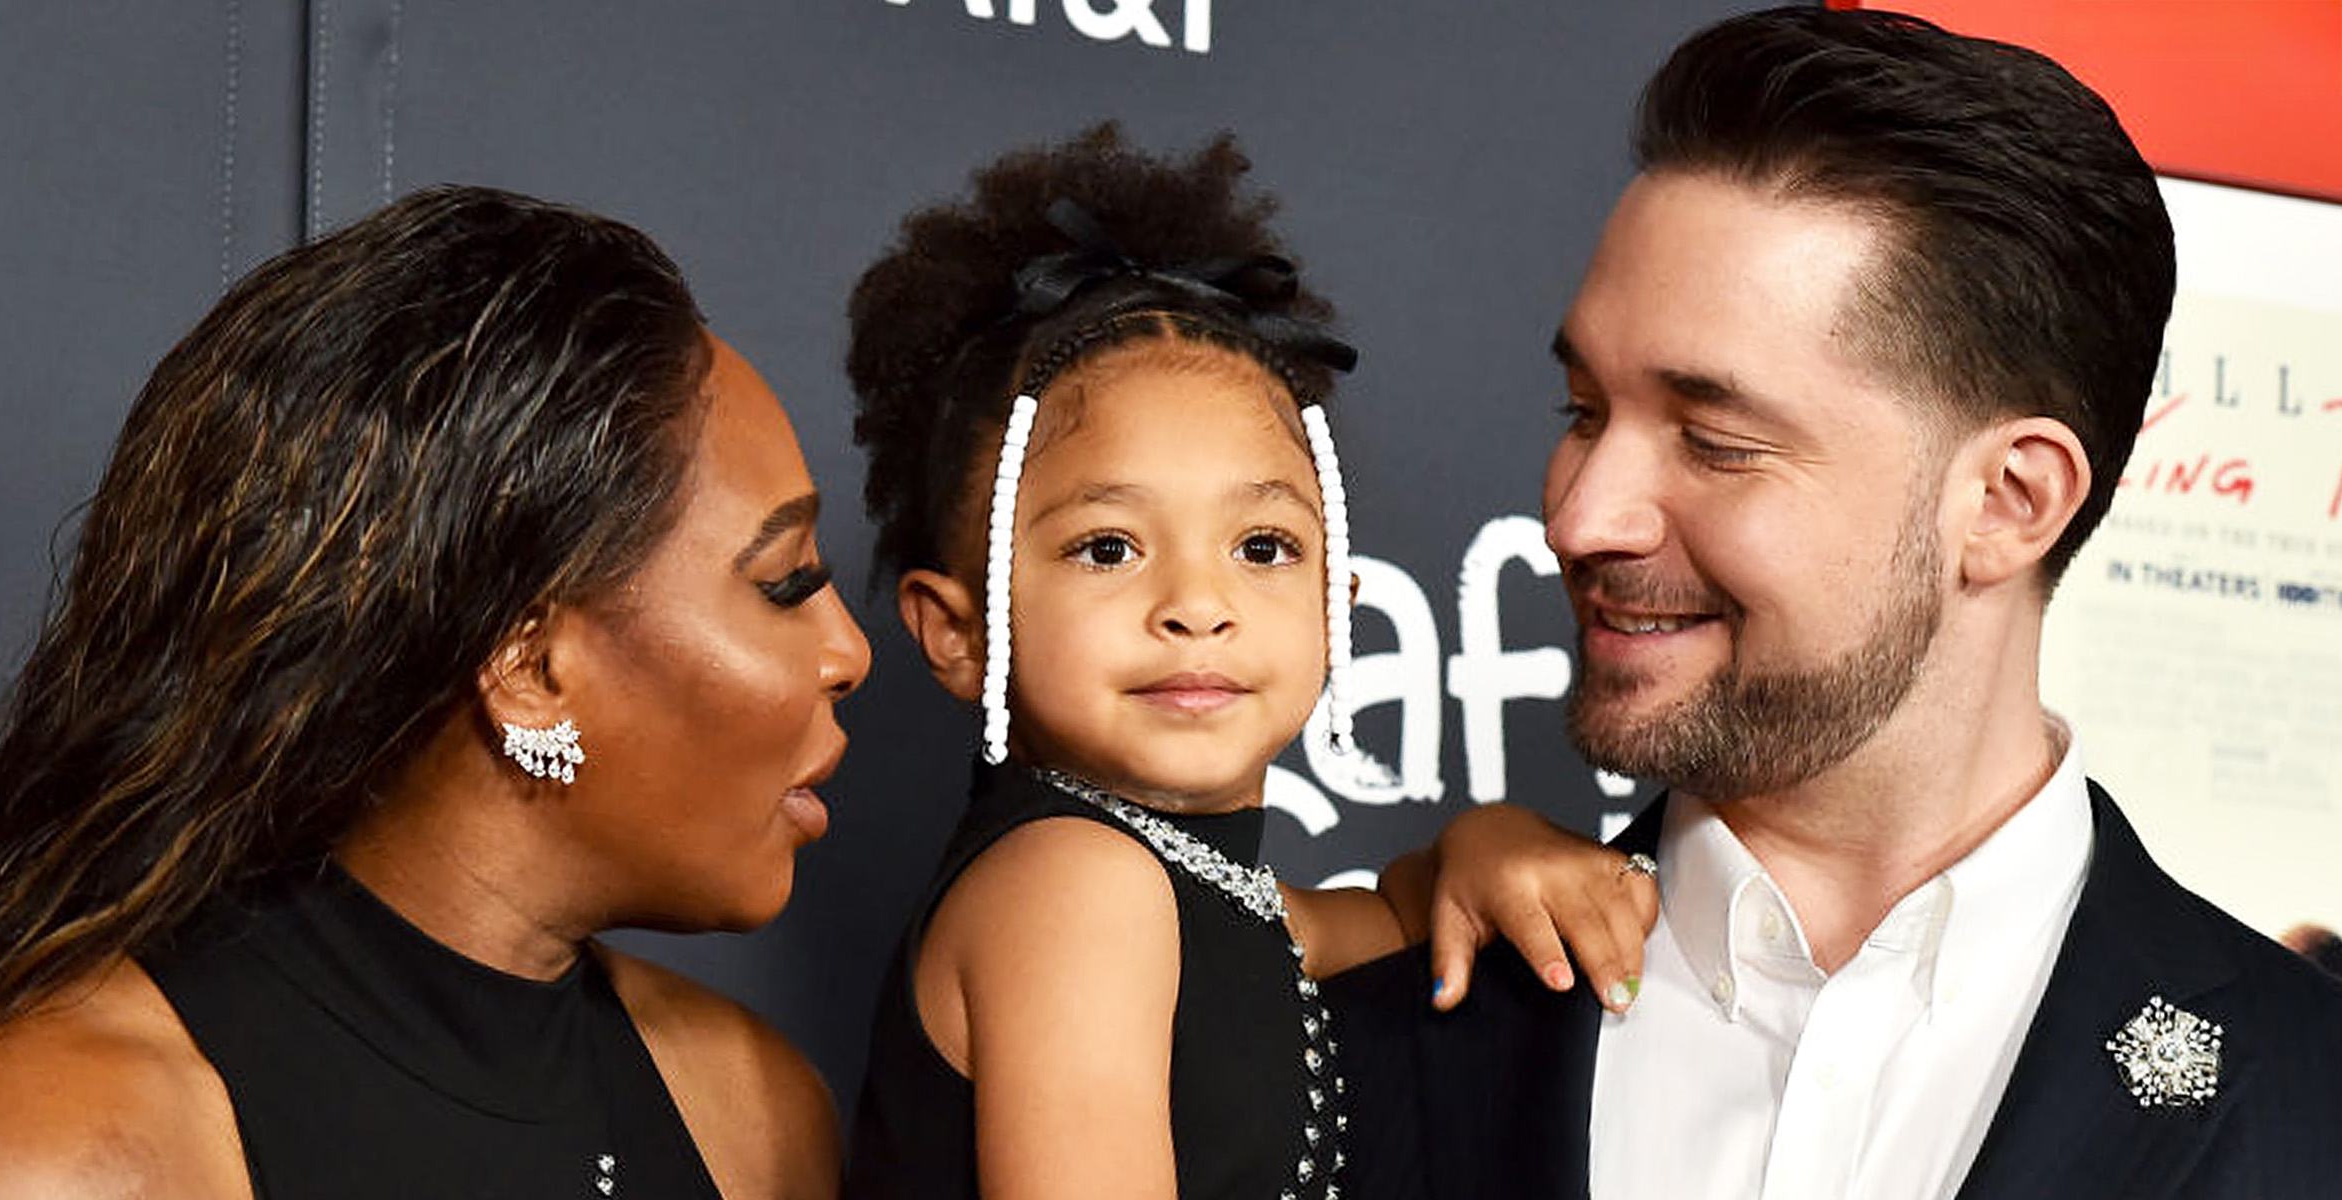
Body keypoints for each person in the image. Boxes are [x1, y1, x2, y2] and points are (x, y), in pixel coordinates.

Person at [1331, 8, 2342, 1199]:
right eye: (1584, 413)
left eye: (1715, 442)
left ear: (2011, 501)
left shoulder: (2311, 1097)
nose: (1580, 516)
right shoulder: (1342, 1053)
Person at [0, 185, 869, 1199]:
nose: (847, 653)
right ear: (529, 669)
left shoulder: (752, 1111)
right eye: (784, 584)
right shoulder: (55, 1147)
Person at [837, 125, 1654, 1200]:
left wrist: (1486, 842)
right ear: (960, 631)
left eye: (1262, 548)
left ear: (1336, 602)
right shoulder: (1076, 889)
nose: (1196, 606)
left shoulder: (1222, 901)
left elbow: (1397, 917)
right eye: (1108, 548)